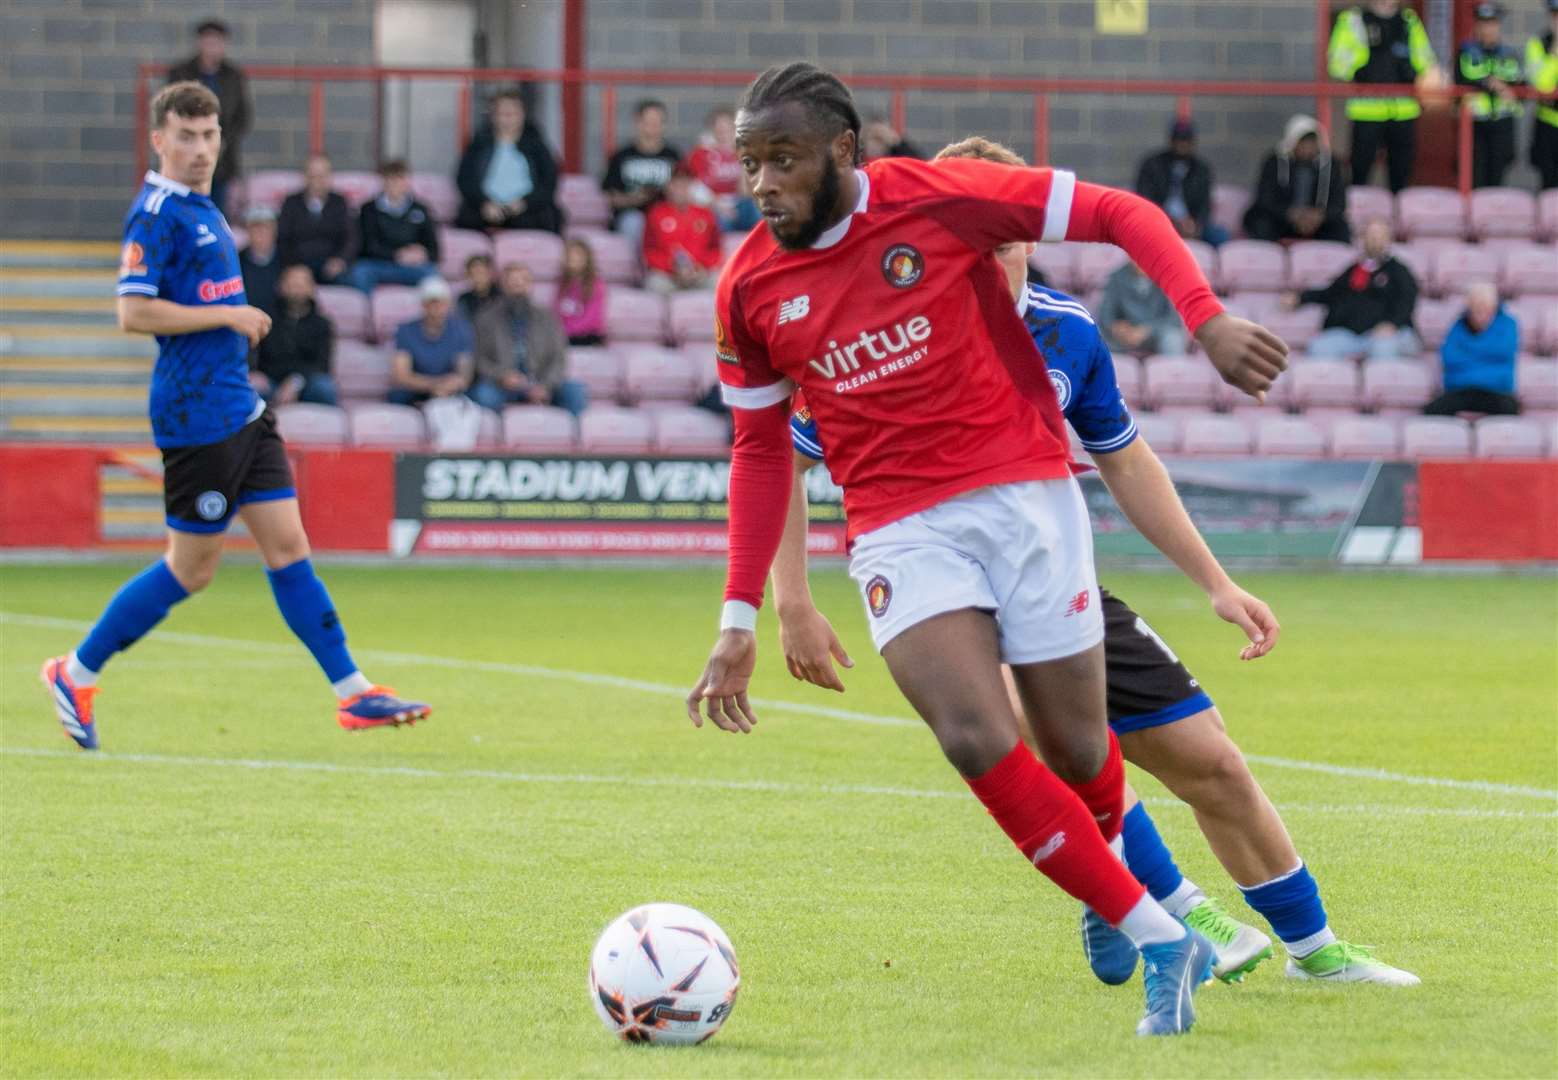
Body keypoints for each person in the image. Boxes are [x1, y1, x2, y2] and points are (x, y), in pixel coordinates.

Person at [685, 62, 1288, 1038]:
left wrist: (1204, 320)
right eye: (750, 164)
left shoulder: (942, 200)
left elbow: (1124, 212)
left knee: (1081, 751)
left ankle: (1107, 895)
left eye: (783, 160)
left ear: (844, 152)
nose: (762, 185)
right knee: (972, 735)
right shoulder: (749, 287)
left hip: (1026, 501)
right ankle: (1159, 932)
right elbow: (758, 450)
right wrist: (742, 614)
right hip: (898, 525)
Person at [775, 134, 1418, 989]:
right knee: (1030, 735)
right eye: (969, 245)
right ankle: (1178, 912)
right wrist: (790, 597)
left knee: (1211, 761)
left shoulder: (1065, 332)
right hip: (940, 581)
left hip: (1050, 568)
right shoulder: (884, 333)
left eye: (1001, 245)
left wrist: (1216, 583)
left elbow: (1124, 457)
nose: (985, 262)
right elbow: (778, 456)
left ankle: (1313, 950)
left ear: (1026, 239)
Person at [40, 82, 429, 751]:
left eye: (209, 135)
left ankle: (354, 692)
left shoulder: (206, 208)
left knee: (289, 549)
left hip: (239, 407)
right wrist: (226, 314)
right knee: (191, 569)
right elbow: (132, 313)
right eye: (185, 136)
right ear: (159, 140)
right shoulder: (156, 213)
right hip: (195, 413)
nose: (198, 149)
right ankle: (74, 672)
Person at [1328, 0, 1444, 193]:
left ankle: (1399, 218)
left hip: (1403, 110)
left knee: (1402, 174)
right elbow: (1336, 63)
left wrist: (1424, 74)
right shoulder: (1353, 20)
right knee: (1360, 172)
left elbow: (1425, 60)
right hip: (1367, 110)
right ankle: (1357, 216)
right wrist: (1362, 66)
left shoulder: (1408, 21)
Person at [1282, 218, 1418, 361]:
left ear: (1389, 240)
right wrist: (1300, 298)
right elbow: (1330, 293)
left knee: (1383, 349)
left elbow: (1407, 300)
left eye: (1380, 236)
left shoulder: (1399, 271)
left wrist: (1392, 324)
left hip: (1390, 333)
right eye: (1370, 235)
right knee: (1319, 347)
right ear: (1362, 238)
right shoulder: (1354, 269)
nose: (1375, 240)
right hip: (1354, 335)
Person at [471, 262, 586, 416]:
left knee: (575, 391)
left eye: (523, 281)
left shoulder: (547, 317)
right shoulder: (486, 318)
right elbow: (479, 360)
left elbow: (559, 358)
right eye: (512, 282)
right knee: (483, 395)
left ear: (530, 285)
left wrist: (545, 385)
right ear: (502, 285)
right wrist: (502, 376)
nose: (518, 287)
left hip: (540, 381)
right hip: (503, 384)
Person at [166, 18, 249, 215]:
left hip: (221, 163)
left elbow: (243, 116)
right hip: (183, 159)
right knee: (183, 213)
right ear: (200, 43)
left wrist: (222, 140)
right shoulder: (181, 73)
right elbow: (170, 111)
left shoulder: (233, 76)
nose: (212, 48)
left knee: (214, 213)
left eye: (217, 42)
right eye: (208, 42)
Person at [454, 88, 563, 234]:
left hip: (526, 210)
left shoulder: (537, 145)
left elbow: (549, 182)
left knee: (541, 221)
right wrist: (484, 203)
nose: (507, 119)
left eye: (512, 114)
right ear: (493, 116)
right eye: (503, 114)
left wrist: (525, 203)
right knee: (466, 221)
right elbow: (464, 179)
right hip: (485, 208)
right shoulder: (479, 144)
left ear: (522, 115)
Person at [1242, 115, 1351, 244]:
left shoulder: (1331, 164)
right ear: (1292, 142)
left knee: (1341, 230)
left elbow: (1339, 202)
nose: (1308, 148)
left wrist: (1319, 216)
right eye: (1303, 142)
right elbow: (1265, 198)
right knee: (1260, 224)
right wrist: (1290, 213)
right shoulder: (1274, 162)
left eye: (1312, 142)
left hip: (1318, 221)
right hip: (1282, 218)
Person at [341, 160, 440, 296]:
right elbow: (367, 246)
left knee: (431, 274)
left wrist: (423, 254)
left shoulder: (421, 209)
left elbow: (434, 249)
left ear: (407, 181)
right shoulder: (368, 209)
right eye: (390, 179)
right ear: (383, 181)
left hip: (411, 266)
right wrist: (397, 255)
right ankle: (366, 313)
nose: (395, 184)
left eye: (399, 178)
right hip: (378, 264)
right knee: (360, 271)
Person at [1425, 282, 1520, 416]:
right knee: (1433, 410)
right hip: (1462, 389)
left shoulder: (1508, 324)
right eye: (1477, 308)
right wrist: (1487, 357)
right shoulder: (1458, 326)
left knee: (1510, 411)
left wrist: (1469, 351)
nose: (1482, 314)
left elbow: (1504, 352)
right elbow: (1449, 358)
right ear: (1469, 307)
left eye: (1486, 308)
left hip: (1496, 391)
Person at [1457, 3, 1525, 189]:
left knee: (1497, 179)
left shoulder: (1509, 54)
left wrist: (1508, 88)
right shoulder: (1467, 52)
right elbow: (1462, 78)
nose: (1487, 29)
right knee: (1475, 179)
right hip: (1475, 125)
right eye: (1483, 23)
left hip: (1502, 124)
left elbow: (1521, 84)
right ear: (1477, 26)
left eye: (1492, 23)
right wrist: (1490, 83)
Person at [252, 264, 337, 407]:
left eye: (301, 284)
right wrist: (256, 372)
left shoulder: (322, 324)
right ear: (280, 286)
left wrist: (295, 382)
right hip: (271, 380)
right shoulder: (265, 319)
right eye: (291, 284)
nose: (296, 289)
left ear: (312, 288)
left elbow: (322, 364)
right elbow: (255, 354)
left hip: (305, 382)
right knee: (251, 387)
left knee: (324, 387)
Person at [601, 100, 682, 249]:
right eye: (648, 121)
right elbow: (610, 195)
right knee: (634, 223)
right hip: (632, 215)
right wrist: (634, 199)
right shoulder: (622, 156)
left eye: (658, 121)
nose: (653, 126)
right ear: (638, 123)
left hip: (666, 214)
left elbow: (685, 191)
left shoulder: (674, 156)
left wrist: (668, 192)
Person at [1134, 119, 1225, 246]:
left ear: (1193, 142)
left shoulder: (1201, 169)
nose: (1182, 145)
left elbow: (1205, 204)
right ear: (1171, 140)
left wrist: (1195, 224)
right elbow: (1145, 201)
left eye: (1186, 140)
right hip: (1159, 222)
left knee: (1220, 235)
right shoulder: (1152, 165)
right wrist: (1171, 222)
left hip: (1190, 224)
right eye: (1179, 140)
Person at [388, 275, 474, 408]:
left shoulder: (461, 329)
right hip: (417, 389)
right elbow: (401, 374)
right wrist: (434, 385)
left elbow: (464, 373)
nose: (436, 308)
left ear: (448, 304)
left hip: (449, 389)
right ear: (423, 305)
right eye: (431, 303)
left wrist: (450, 385)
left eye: (440, 303)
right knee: (397, 396)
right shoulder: (406, 330)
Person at [642, 168, 722, 295]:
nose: (681, 189)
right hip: (669, 275)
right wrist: (671, 267)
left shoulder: (706, 214)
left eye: (686, 184)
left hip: (699, 274)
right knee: (654, 284)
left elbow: (715, 249)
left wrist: (701, 266)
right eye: (677, 184)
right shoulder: (656, 213)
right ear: (668, 187)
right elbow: (649, 250)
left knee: (718, 281)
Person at [277, 154, 352, 285]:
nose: (317, 181)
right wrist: (295, 266)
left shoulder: (339, 202)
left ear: (330, 177)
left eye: (322, 176)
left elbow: (351, 237)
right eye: (313, 176)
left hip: (331, 266)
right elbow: (283, 238)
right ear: (305, 177)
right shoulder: (291, 203)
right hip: (298, 265)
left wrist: (340, 260)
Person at [686, 107, 761, 232]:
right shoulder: (701, 153)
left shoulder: (743, 152)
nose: (724, 133)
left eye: (728, 129)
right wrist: (718, 205)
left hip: (739, 203)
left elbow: (745, 191)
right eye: (720, 129)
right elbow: (694, 188)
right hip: (714, 205)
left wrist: (743, 156)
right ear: (712, 131)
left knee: (756, 210)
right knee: (720, 220)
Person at [1096, 261, 1186, 357]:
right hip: (1125, 336)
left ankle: (1170, 371)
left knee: (1173, 339)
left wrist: (1146, 330)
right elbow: (1106, 315)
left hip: (1156, 334)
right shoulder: (1116, 277)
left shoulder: (1167, 277)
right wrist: (1117, 327)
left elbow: (1173, 319)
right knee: (1097, 337)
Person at [1527, 0, 1558, 189]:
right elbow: (1542, 86)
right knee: (1549, 183)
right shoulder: (1538, 44)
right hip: (1547, 123)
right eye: (1555, 15)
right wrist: (1555, 54)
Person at [555, 237, 607, 346]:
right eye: (570, 254)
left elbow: (593, 318)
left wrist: (569, 330)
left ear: (587, 258)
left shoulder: (596, 284)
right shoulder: (562, 284)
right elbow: (557, 310)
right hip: (566, 336)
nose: (573, 258)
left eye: (578, 254)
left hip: (587, 337)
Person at [237, 206, 280, 317]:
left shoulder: (288, 259)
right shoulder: (236, 261)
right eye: (256, 229)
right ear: (248, 232)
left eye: (266, 228)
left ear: (275, 231)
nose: (261, 234)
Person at [457, 254, 499, 325]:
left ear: (489, 273)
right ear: (468, 275)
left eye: (481, 273)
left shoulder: (501, 296)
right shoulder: (464, 299)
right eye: (474, 274)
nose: (478, 278)